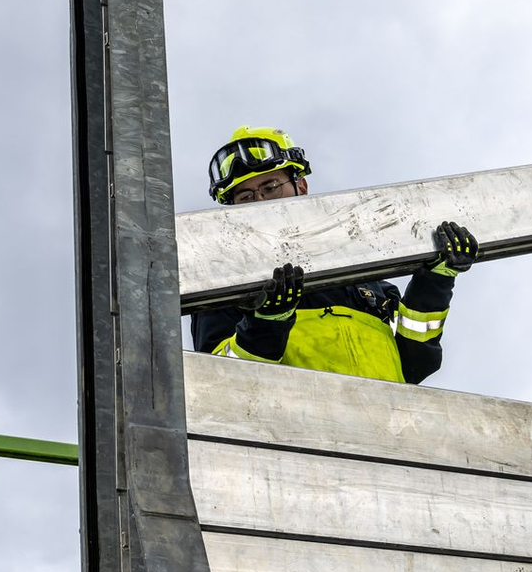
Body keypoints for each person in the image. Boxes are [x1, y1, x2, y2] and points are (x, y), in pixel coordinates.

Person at [192, 126, 479, 383]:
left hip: (391, 431)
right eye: (246, 197)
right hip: (297, 437)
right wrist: (267, 323)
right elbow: (221, 380)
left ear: (300, 186)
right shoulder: (226, 284)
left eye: (271, 187)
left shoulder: (358, 276)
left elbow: (417, 363)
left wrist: (436, 280)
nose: (261, 202)